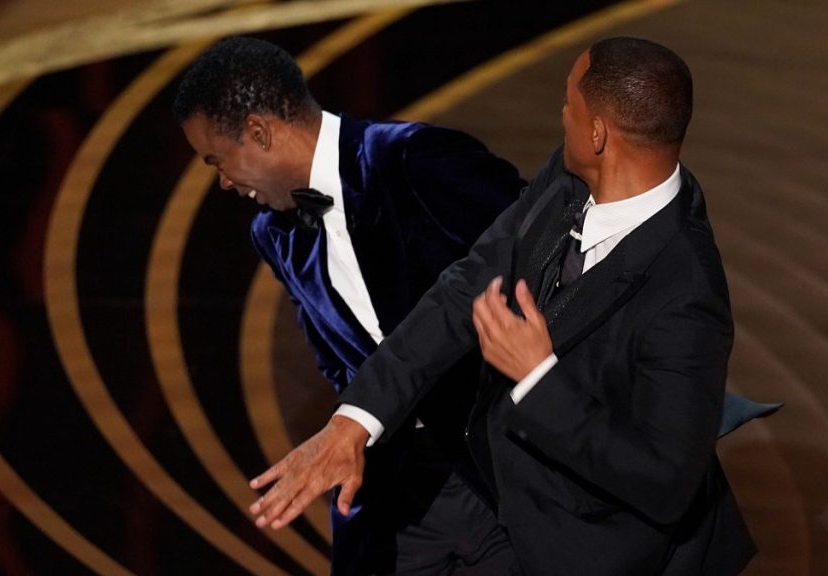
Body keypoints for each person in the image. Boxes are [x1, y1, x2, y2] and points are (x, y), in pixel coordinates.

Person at [249, 37, 763, 575]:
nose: (560, 112)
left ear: (598, 134)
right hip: (516, 518)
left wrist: (538, 377)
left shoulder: (687, 292)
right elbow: (464, 287)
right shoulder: (570, 179)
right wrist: (354, 422)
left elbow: (662, 481)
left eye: (569, 102)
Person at [173, 36, 525, 575]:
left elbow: (543, 257)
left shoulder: (414, 158)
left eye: (218, 161)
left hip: (505, 475)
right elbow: (336, 360)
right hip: (397, 495)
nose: (222, 181)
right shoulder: (274, 233)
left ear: (259, 133)